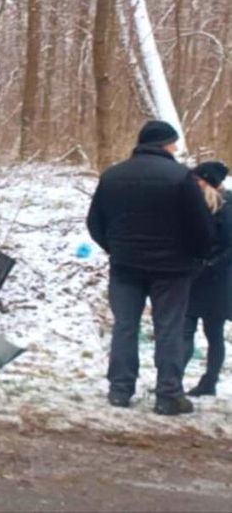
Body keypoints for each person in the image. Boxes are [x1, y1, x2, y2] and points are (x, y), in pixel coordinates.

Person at [87, 120, 215, 416]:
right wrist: (196, 257)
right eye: (174, 143)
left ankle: (120, 389)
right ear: (165, 144)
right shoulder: (181, 177)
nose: (176, 148)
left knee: (125, 326)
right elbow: (201, 227)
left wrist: (115, 248)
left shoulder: (112, 176)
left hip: (125, 267)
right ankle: (169, 394)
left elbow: (95, 222)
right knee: (169, 329)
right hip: (172, 269)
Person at [183, 162, 232, 397]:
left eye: (198, 180)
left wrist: (209, 264)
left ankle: (209, 381)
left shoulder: (227, 208)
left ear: (208, 181)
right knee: (184, 331)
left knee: (213, 333)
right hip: (194, 278)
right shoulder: (195, 204)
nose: (194, 183)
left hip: (217, 281)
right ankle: (172, 378)